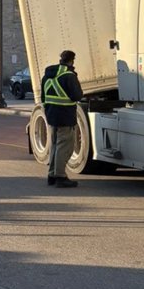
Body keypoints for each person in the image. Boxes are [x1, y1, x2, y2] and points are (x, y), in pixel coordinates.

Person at [41, 50, 84, 188]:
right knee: (64, 146)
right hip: (65, 116)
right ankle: (60, 176)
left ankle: (52, 175)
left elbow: (43, 97)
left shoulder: (47, 76)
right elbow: (77, 95)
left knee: (55, 145)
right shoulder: (68, 76)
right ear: (72, 60)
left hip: (51, 115)